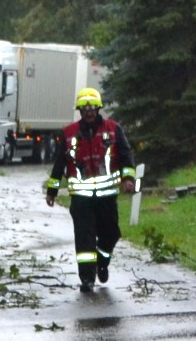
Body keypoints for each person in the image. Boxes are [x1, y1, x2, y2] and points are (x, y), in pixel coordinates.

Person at [45, 87, 138, 291]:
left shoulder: (113, 129)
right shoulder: (68, 134)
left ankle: (102, 262)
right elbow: (59, 164)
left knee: (111, 233)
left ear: (98, 108)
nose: (88, 112)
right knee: (84, 238)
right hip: (81, 199)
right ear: (79, 110)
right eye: (84, 109)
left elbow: (125, 155)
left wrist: (128, 178)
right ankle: (87, 278)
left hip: (106, 197)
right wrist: (52, 190)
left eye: (92, 108)